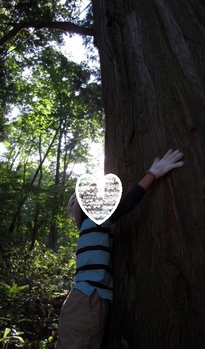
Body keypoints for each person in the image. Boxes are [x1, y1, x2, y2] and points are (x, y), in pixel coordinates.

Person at [56, 149, 184, 349]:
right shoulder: (93, 224)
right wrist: (153, 173)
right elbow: (125, 206)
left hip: (85, 301)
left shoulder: (92, 230)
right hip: (85, 302)